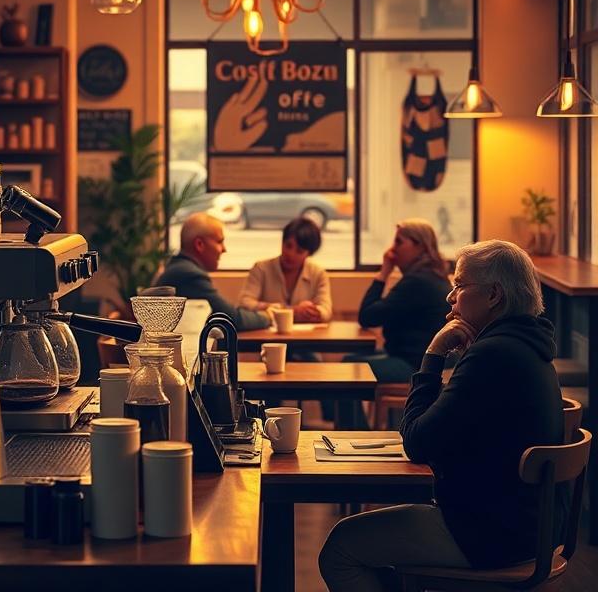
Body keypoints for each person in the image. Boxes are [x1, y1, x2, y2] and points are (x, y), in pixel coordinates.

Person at [319, 240, 566, 591]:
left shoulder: (492, 356)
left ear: (494, 294)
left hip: (487, 533)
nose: (450, 297)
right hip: (531, 527)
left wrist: (432, 355)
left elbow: (417, 443)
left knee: (341, 546)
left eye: (460, 286)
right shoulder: (529, 346)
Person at [355, 219, 452, 384]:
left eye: (399, 242)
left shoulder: (418, 281)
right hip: (431, 362)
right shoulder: (432, 275)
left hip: (416, 366)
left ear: (420, 246)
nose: (392, 248)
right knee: (351, 360)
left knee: (349, 368)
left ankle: (352, 412)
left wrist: (384, 272)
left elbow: (367, 316)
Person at [154, 213, 270, 330]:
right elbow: (230, 319)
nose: (224, 249)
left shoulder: (179, 268)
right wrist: (268, 316)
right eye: (219, 242)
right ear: (199, 245)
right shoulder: (189, 275)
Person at [238, 217, 332, 322]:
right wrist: (291, 310)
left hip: (306, 337)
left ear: (309, 254)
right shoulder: (261, 269)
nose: (291, 254)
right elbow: (244, 303)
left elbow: (326, 310)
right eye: (288, 246)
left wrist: (313, 311)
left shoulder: (318, 274)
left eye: (299, 251)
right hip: (267, 336)